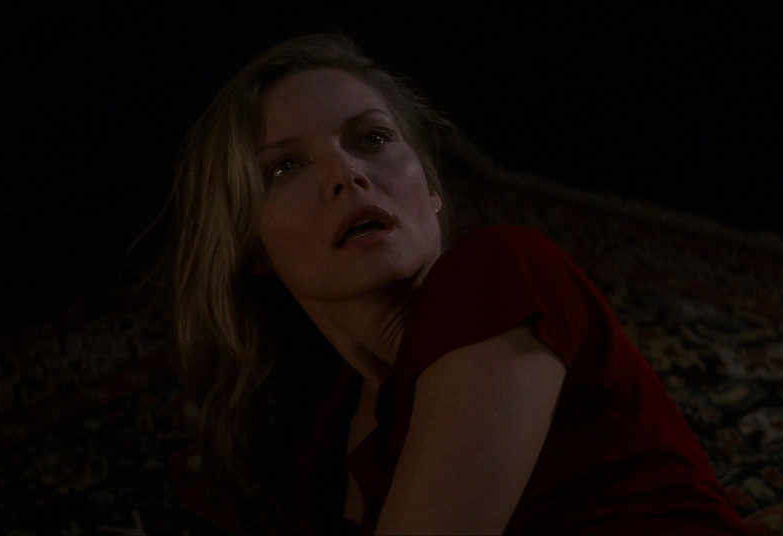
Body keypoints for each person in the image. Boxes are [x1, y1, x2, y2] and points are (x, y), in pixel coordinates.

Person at [166, 33, 749, 535]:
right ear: (251, 247)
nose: (347, 173)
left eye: (372, 138)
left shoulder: (499, 270)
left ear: (431, 186)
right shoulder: (326, 429)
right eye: (285, 167)